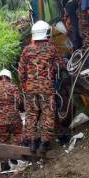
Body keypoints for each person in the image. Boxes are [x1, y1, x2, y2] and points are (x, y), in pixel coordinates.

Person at [18, 20, 64, 154]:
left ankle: (32, 143)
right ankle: (44, 143)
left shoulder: (27, 50)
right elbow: (60, 65)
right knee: (47, 113)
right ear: (46, 33)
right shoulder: (51, 49)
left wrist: (24, 86)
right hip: (46, 88)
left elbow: (21, 71)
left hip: (30, 88)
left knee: (31, 114)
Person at [0, 69, 23, 144]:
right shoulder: (14, 87)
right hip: (14, 119)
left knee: (3, 139)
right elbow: (20, 101)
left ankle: (5, 153)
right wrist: (22, 109)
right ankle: (15, 150)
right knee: (18, 135)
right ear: (9, 78)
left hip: (0, 120)